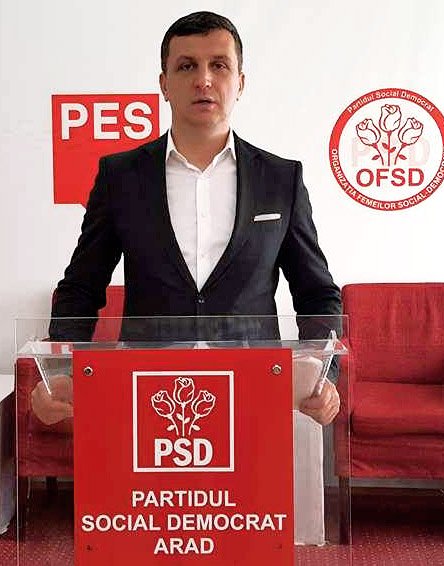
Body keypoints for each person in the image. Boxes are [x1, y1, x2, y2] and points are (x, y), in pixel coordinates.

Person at [32, 11, 341, 427]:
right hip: (147, 394)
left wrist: (325, 375)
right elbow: (80, 289)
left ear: (240, 82)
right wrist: (58, 371)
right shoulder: (120, 177)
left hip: (254, 392)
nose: (204, 79)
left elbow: (317, 293)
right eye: (186, 66)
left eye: (219, 65)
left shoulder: (281, 179)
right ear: (164, 83)